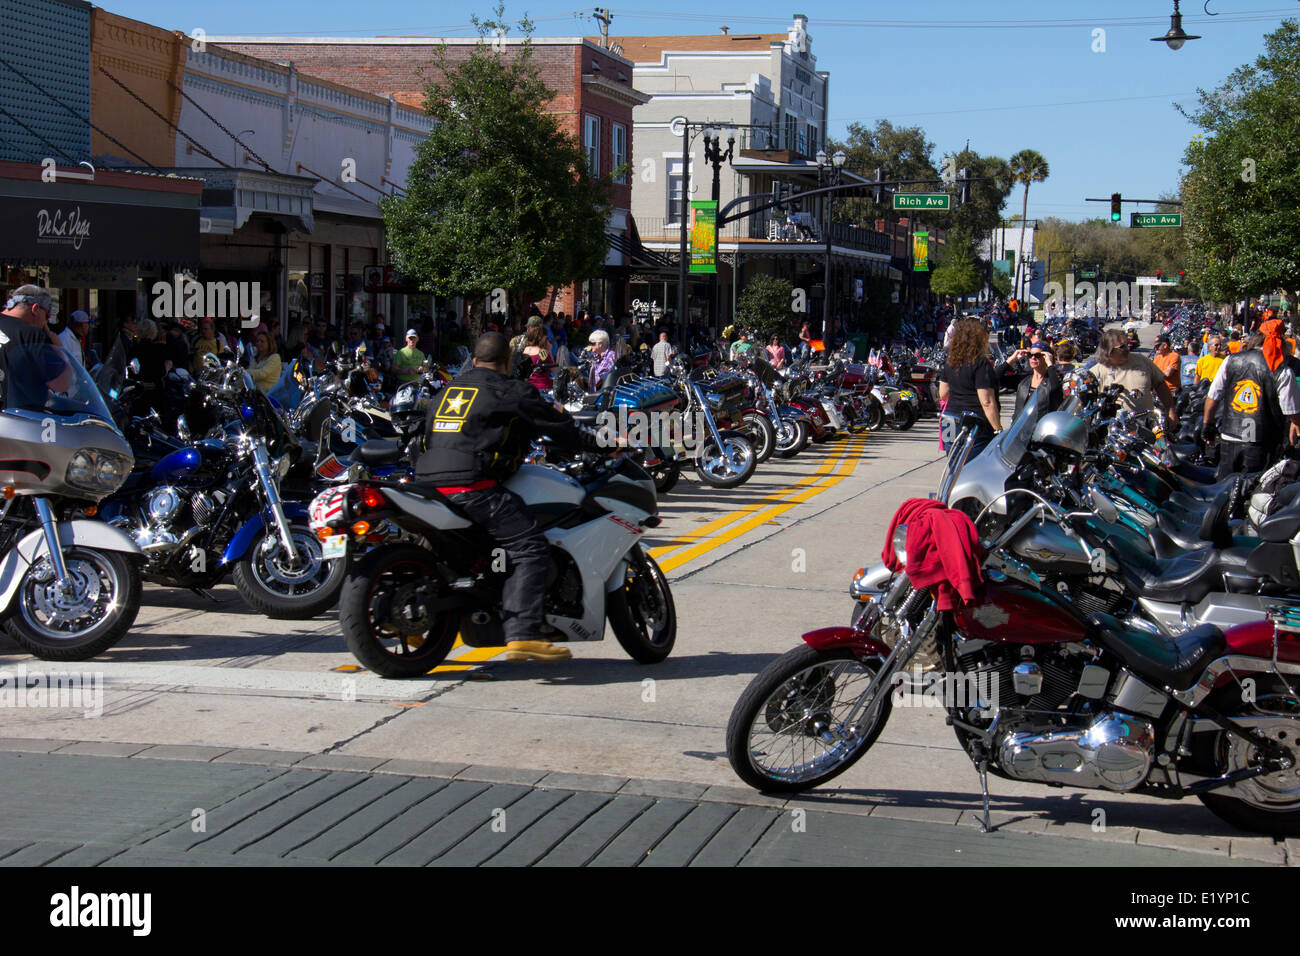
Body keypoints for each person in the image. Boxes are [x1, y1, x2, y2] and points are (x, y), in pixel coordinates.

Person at [413, 332, 604, 662]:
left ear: (473, 361)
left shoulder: (447, 391)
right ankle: (522, 632)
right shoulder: (509, 389)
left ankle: (418, 616)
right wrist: (603, 442)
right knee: (529, 546)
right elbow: (560, 427)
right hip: (471, 483)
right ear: (506, 363)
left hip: (426, 482)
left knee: (450, 549)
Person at [1202, 323, 1300, 479]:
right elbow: (1291, 410)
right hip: (1262, 442)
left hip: (1230, 436)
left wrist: (1207, 424)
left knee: (1224, 489)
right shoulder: (1283, 371)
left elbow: (1213, 396)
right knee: (1252, 493)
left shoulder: (1231, 360)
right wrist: (1296, 424)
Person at [1088, 329, 1178, 427]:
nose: (1128, 348)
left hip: (1147, 426)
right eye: (1122, 347)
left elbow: (1160, 385)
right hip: (1115, 431)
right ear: (1109, 351)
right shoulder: (1096, 373)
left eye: (1127, 344)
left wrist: (1170, 411)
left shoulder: (1142, 361)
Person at [938, 319, 1002, 458]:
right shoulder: (980, 363)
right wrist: (998, 430)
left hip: (949, 419)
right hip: (973, 422)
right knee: (972, 467)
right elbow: (987, 402)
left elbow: (943, 394)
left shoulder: (950, 362)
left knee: (954, 466)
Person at [1, 285, 75, 397]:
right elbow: (61, 384)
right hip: (14, 412)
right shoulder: (31, 335)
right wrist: (60, 349)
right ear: (35, 309)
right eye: (47, 316)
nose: (46, 322)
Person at [1011, 345, 1063, 422]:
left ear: (1045, 357)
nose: (1033, 358)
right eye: (1030, 355)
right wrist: (1012, 359)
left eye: (1038, 355)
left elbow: (1054, 387)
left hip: (1042, 428)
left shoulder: (1053, 379)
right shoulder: (1024, 380)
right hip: (1021, 429)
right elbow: (997, 378)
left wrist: (1050, 363)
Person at [519, 323, 554, 392]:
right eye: (545, 337)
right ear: (541, 337)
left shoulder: (524, 350)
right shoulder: (542, 352)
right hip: (542, 387)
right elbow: (552, 368)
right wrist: (549, 350)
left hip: (527, 386)